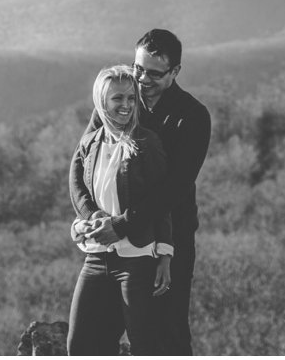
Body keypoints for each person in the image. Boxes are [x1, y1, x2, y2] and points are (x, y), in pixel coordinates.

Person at [72, 29, 211, 355]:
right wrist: (91, 217)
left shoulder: (191, 116)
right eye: (139, 69)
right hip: (107, 244)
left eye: (154, 73)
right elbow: (80, 165)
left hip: (168, 239)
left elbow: (174, 188)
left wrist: (120, 224)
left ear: (175, 72)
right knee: (92, 339)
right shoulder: (118, 101)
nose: (142, 79)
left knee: (165, 338)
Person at [66, 65, 174, 356]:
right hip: (96, 257)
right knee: (79, 345)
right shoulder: (90, 143)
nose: (126, 105)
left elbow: (160, 200)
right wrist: (89, 218)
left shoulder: (146, 142)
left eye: (130, 98)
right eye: (117, 99)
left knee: (143, 346)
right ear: (102, 102)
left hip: (137, 260)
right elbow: (79, 186)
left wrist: (165, 253)